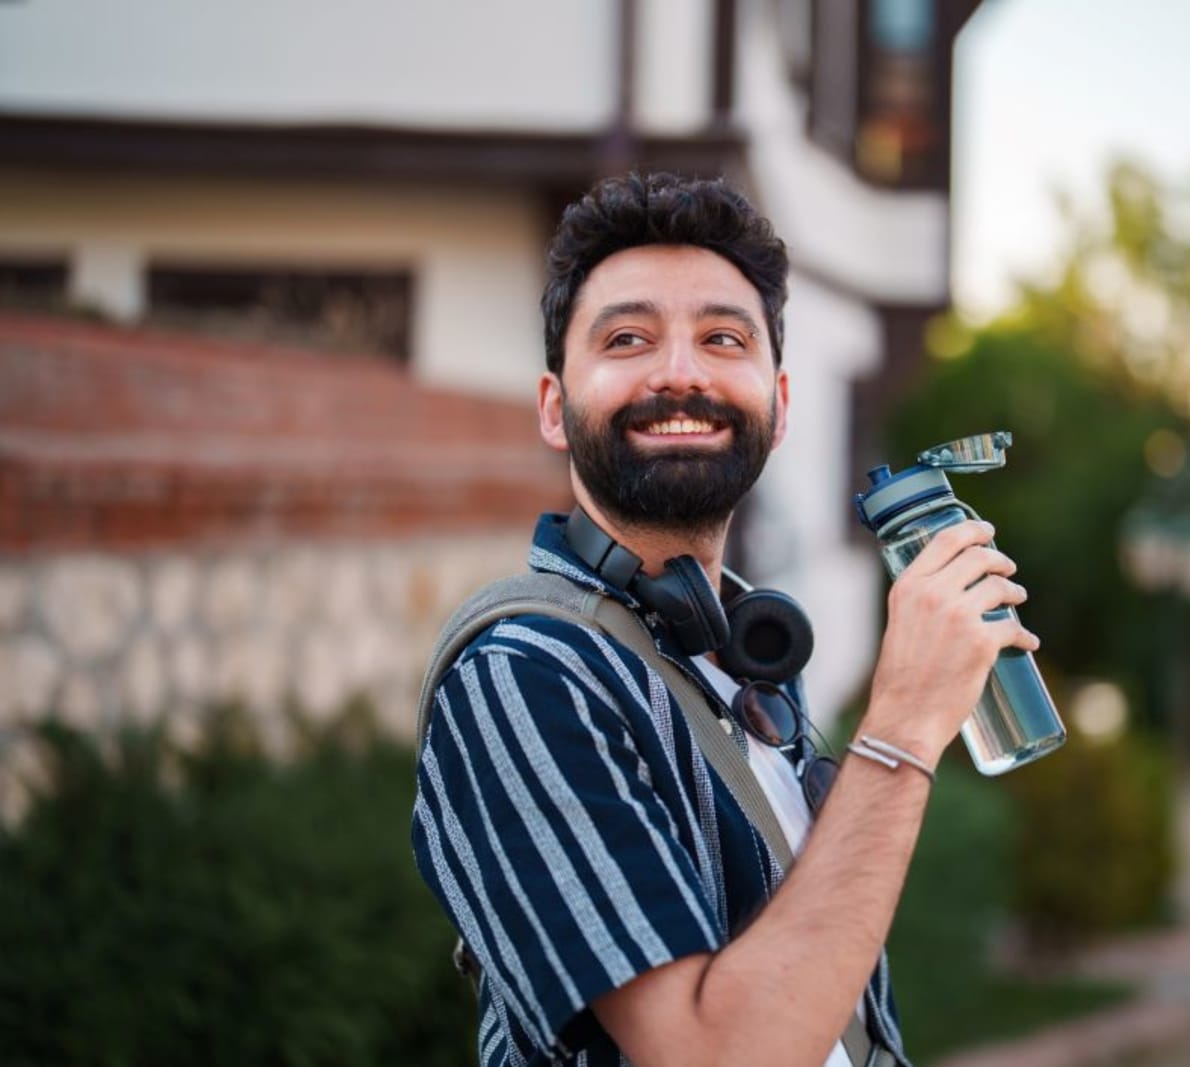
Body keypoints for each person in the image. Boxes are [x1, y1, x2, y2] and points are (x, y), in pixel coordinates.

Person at [411, 172, 1037, 1067]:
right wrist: (899, 727)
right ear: (555, 408)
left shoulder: (747, 664)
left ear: (778, 405)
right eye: (627, 338)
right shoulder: (521, 676)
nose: (680, 372)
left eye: (722, 338)